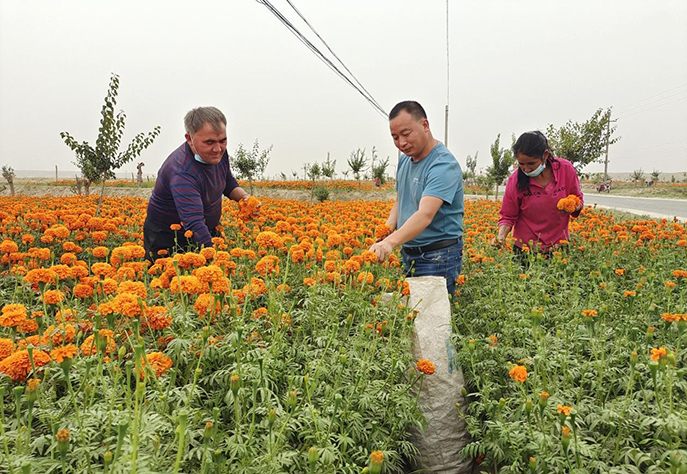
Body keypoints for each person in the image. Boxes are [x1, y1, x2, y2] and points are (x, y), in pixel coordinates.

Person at [370, 101, 464, 297]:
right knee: (412, 318)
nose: (401, 143)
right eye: (395, 137)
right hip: (410, 251)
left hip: (437, 256)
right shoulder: (405, 159)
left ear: (425, 125)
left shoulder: (442, 165)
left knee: (432, 322)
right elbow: (400, 198)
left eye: (406, 134)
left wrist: (390, 243)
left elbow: (425, 214)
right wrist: (387, 229)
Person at [144, 106, 254, 262]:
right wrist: (216, 262)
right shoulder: (182, 170)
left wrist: (245, 199)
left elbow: (227, 181)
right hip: (167, 236)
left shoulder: (218, 154)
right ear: (189, 139)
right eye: (209, 142)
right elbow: (194, 222)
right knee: (166, 280)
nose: (218, 149)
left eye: (223, 141)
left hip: (204, 229)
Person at [495, 131, 583, 259]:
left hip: (559, 247)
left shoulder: (565, 169)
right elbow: (508, 215)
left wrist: (573, 206)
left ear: (545, 155)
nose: (526, 169)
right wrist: (501, 237)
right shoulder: (515, 180)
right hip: (525, 250)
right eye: (521, 164)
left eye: (531, 163)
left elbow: (577, 198)